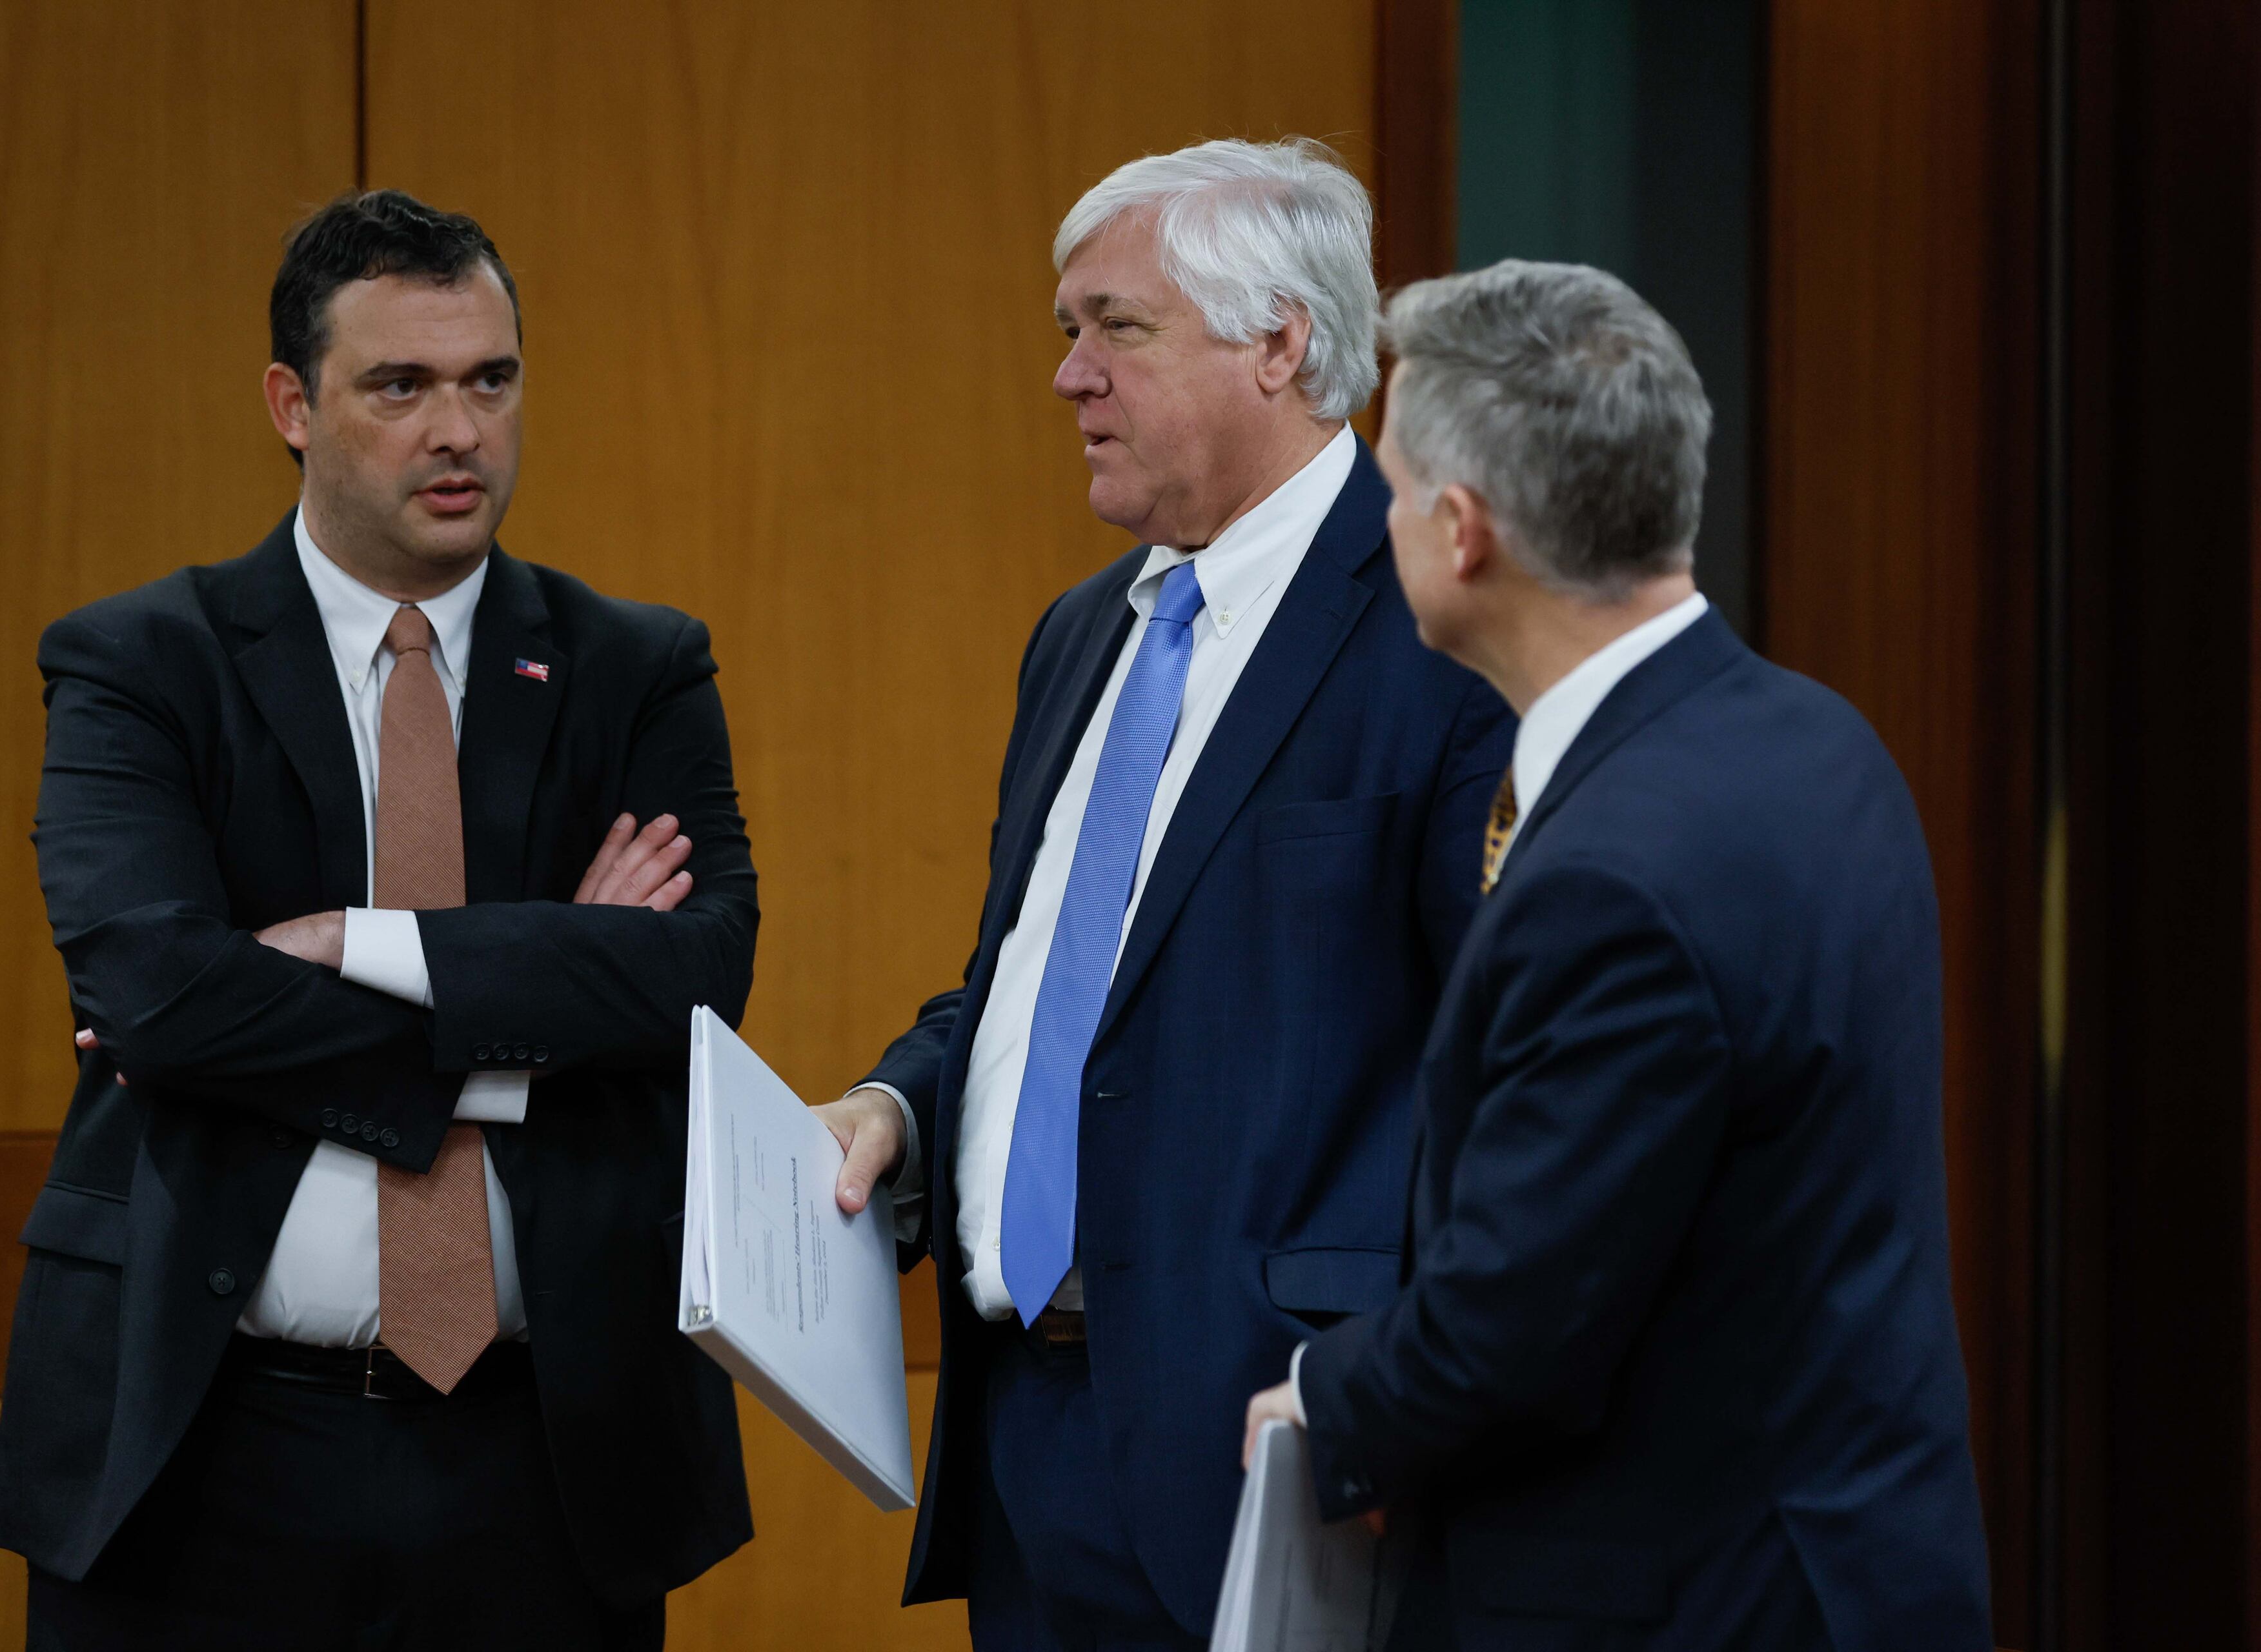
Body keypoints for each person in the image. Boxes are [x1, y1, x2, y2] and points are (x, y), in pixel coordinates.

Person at [0, 190, 757, 1649]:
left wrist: (361, 942)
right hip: (204, 1448)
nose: (458, 431)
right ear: (294, 402)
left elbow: (701, 972)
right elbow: (157, 999)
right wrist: (538, 1007)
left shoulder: (636, 667)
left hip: (546, 1459)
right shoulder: (144, 663)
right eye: (401, 386)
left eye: (490, 379)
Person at [810, 139, 1514, 1649]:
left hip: (1282, 1454)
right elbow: (1057, 986)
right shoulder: (1085, 633)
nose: (1070, 375)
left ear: (1282, 343)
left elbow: (1511, 1062)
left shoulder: (1439, 621)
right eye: (1068, 329)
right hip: (1026, 1443)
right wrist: (904, 1103)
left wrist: (1412, 1399)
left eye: (1114, 328)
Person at [1242, 261, 1994, 1649]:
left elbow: (1516, 1325)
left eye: (1393, 488)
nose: (1382, 516)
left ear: (1459, 532)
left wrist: (1326, 1400)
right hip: (1833, 1557)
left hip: (1681, 1595)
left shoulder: (1612, 880)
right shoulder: (1815, 735)